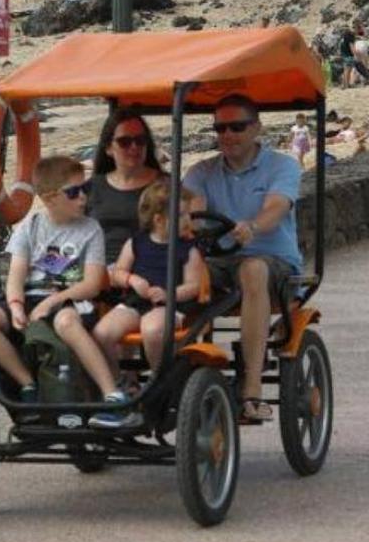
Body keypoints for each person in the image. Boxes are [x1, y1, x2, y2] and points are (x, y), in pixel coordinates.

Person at [0, 156, 140, 429]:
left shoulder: (90, 229)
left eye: (85, 189)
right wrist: (15, 306)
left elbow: (93, 283)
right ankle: (27, 384)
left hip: (70, 297)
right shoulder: (30, 227)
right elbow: (16, 276)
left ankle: (112, 394)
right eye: (73, 192)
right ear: (50, 198)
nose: (82, 197)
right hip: (30, 294)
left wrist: (53, 301)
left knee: (65, 321)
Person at [183, 94, 302, 424]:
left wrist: (253, 227)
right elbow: (194, 208)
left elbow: (277, 207)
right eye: (220, 128)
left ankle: (251, 387)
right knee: (180, 271)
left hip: (272, 260)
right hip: (220, 261)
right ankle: (178, 374)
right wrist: (195, 224)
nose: (228, 135)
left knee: (253, 269)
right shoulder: (201, 172)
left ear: (257, 128)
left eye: (237, 126)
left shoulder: (283, 166)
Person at [91, 179, 206, 374]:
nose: (188, 219)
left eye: (188, 214)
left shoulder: (188, 250)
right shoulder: (136, 243)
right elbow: (118, 273)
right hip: (136, 301)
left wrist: (168, 294)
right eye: (181, 215)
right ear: (159, 219)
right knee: (102, 333)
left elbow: (194, 285)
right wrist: (132, 280)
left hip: (171, 305)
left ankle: (160, 379)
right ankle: (118, 381)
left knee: (151, 329)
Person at [86, 110, 165, 266]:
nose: (134, 147)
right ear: (108, 148)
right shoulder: (92, 187)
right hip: (97, 272)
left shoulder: (166, 185)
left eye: (140, 140)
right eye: (124, 142)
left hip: (150, 271)